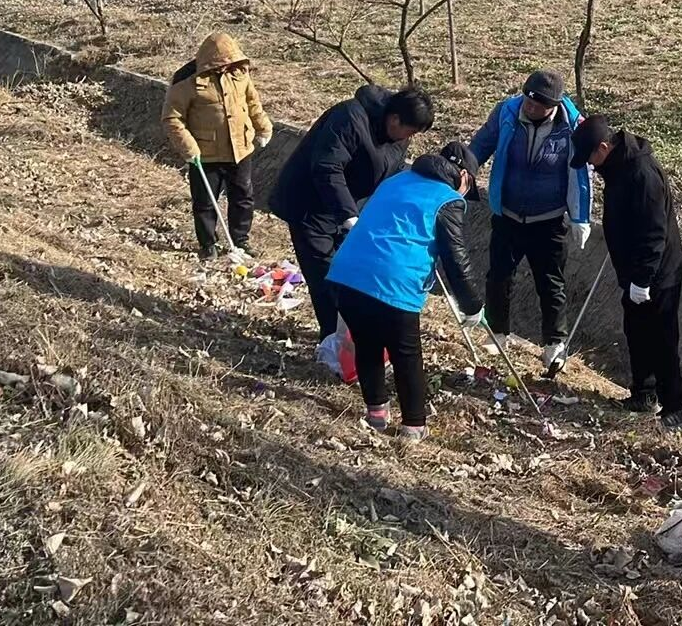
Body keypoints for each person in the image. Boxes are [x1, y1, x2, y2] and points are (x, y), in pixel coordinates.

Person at [325, 143, 483, 441]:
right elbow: (456, 258)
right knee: (405, 353)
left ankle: (376, 414)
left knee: (367, 343)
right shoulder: (448, 199)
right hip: (393, 280)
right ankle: (413, 426)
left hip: (347, 272)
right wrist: (472, 305)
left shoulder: (397, 179)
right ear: (463, 176)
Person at [269, 85, 435, 351]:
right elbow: (327, 168)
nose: (411, 138)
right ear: (394, 119)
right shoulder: (349, 118)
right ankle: (336, 344)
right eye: (411, 131)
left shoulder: (397, 137)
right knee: (325, 276)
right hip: (310, 205)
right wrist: (348, 215)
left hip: (350, 210)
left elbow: (389, 174)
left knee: (351, 274)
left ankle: (352, 340)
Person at [465, 70, 592, 371]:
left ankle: (554, 343)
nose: (530, 107)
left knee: (550, 283)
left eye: (539, 105)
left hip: (548, 220)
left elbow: (581, 174)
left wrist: (580, 217)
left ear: (554, 106)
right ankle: (497, 332)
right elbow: (480, 146)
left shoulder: (572, 128)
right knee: (499, 277)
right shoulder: (506, 113)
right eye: (528, 100)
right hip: (507, 214)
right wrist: (461, 172)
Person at [570, 114, 682, 428]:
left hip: (658, 274)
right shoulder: (616, 167)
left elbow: (654, 232)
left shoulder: (641, 173)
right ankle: (643, 394)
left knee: (662, 339)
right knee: (636, 332)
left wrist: (643, 279)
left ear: (604, 147)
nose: (590, 165)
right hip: (635, 271)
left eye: (590, 157)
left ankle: (675, 405)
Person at [161, 32, 274, 260]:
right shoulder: (187, 81)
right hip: (205, 154)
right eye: (222, 63)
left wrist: (263, 127)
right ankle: (208, 244)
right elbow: (172, 118)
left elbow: (253, 102)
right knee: (205, 201)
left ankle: (240, 240)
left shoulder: (240, 74)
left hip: (240, 149)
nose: (226, 67)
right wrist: (188, 148)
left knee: (243, 196)